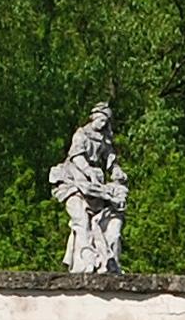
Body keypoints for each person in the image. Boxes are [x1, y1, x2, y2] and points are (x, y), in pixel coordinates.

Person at [50, 101, 128, 275]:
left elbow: (110, 159)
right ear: (93, 117)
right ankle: (85, 260)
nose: (102, 124)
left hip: (94, 182)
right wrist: (88, 172)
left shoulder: (104, 138)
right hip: (75, 178)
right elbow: (76, 156)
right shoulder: (81, 134)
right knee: (81, 221)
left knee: (96, 224)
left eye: (105, 122)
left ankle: (101, 260)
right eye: (100, 120)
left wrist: (116, 170)